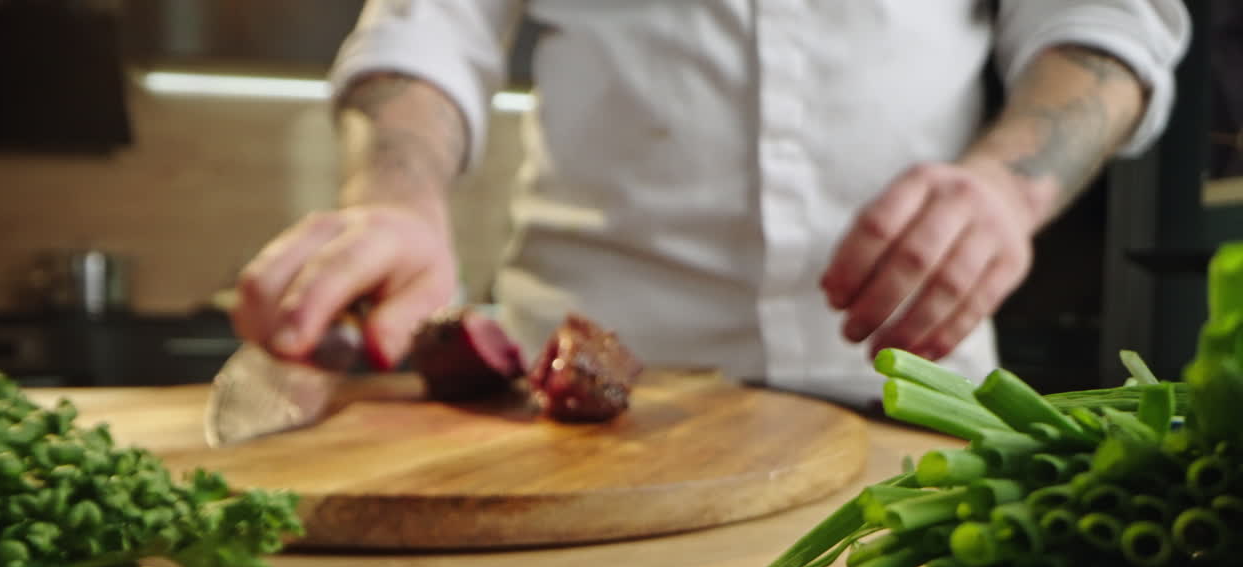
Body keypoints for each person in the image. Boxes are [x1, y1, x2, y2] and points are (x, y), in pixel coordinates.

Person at [231, 0, 1190, 408]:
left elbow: (1109, 23)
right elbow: (428, 26)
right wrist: (395, 197)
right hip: (583, 419)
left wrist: (1003, 191)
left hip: (914, 393)